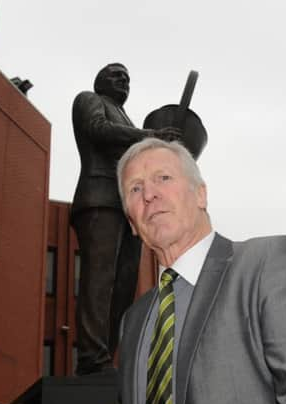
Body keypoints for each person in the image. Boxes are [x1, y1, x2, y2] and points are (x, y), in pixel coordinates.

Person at [117, 137, 286, 404]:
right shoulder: (132, 321)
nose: (149, 194)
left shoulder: (267, 264)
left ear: (201, 195)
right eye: (135, 188)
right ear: (132, 222)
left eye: (164, 178)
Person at [71, 63, 179, 375]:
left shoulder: (126, 117)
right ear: (99, 80)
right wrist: (152, 136)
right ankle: (91, 359)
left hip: (128, 209)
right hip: (100, 199)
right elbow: (98, 130)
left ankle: (105, 357)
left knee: (123, 285)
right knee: (99, 281)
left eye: (128, 78)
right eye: (117, 75)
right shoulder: (89, 100)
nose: (124, 81)